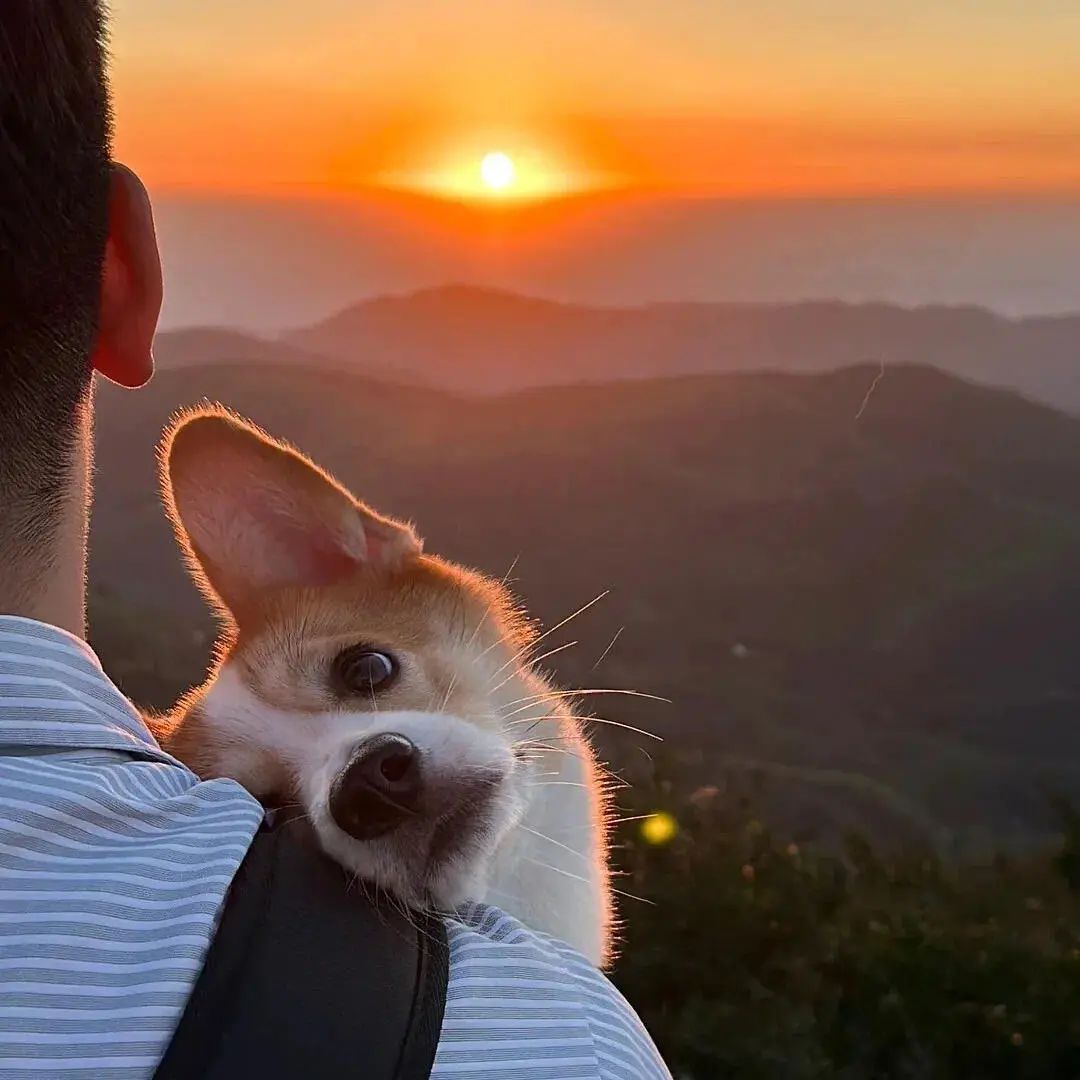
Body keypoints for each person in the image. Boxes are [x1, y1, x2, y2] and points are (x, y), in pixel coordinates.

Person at [0, 3, 670, 1078]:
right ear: (114, 270)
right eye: (269, 811)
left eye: (365, 671)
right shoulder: (547, 1044)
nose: (366, 773)